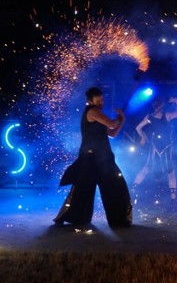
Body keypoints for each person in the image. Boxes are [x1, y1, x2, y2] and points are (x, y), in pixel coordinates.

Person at [54, 87, 132, 227]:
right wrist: (119, 118)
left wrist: (122, 120)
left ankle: (118, 220)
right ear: (90, 101)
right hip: (91, 159)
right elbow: (112, 123)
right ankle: (78, 219)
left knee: (113, 187)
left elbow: (112, 133)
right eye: (98, 100)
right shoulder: (93, 111)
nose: (101, 102)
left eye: (102, 100)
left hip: (102, 158)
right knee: (85, 190)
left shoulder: (98, 114)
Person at [132, 96, 177, 200]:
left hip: (155, 146)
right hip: (166, 146)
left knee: (146, 168)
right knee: (171, 171)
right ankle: (173, 198)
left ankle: (134, 188)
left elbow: (138, 128)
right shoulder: (168, 115)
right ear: (162, 105)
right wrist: (175, 100)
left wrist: (143, 136)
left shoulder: (150, 117)